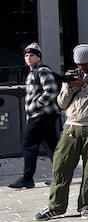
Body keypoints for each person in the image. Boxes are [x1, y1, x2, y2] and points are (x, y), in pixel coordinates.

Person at [36, 44, 88, 221]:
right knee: (61, 165)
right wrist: (68, 87)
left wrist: (85, 86)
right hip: (71, 127)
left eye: (85, 64)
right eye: (79, 64)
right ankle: (55, 206)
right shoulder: (74, 75)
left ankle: (86, 206)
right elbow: (61, 104)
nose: (81, 67)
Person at [8, 42, 59, 189]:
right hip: (44, 115)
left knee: (28, 145)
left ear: (39, 57)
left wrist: (36, 105)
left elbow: (51, 90)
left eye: (32, 55)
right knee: (52, 147)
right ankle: (60, 176)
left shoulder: (42, 71)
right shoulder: (33, 72)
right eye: (26, 55)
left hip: (40, 115)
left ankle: (27, 178)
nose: (28, 58)